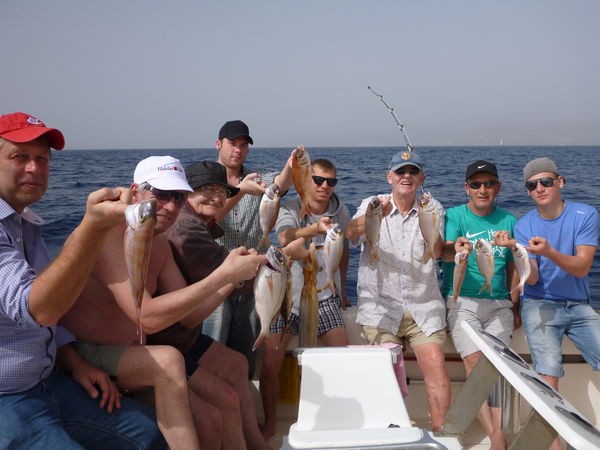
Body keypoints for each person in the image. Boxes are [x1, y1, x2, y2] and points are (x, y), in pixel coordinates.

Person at [61, 156, 270, 450]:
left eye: (178, 197)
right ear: (136, 193)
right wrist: (223, 274)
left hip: (138, 351)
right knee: (174, 365)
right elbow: (146, 318)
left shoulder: (159, 243)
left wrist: (231, 279)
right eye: (161, 195)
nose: (171, 207)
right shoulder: (109, 236)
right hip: (89, 351)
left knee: (214, 413)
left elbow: (190, 316)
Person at [0, 111, 166, 449]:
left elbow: (49, 324)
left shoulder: (26, 225)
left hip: (48, 381)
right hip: (8, 398)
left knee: (149, 433)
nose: (34, 168)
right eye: (19, 157)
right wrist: (93, 228)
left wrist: (75, 363)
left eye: (42, 159)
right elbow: (38, 310)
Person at [346, 150, 451, 432]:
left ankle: (441, 433)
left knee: (435, 364)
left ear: (421, 178)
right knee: (383, 371)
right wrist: (374, 214)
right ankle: (389, 432)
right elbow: (350, 233)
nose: (407, 176)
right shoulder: (372, 203)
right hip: (380, 308)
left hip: (423, 306)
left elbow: (437, 252)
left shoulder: (433, 207)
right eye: (400, 171)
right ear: (389, 177)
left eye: (413, 171)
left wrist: (431, 223)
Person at [259, 158, 351, 440]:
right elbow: (284, 238)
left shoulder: (341, 211)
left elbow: (343, 249)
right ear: (307, 179)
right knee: (270, 363)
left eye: (331, 182)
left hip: (323, 295)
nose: (324, 186)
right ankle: (271, 423)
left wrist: (342, 287)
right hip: (287, 295)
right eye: (318, 180)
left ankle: (335, 420)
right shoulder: (290, 206)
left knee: (343, 357)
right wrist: (314, 230)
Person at [513, 157, 600, 450]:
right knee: (547, 371)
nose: (539, 188)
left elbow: (582, 268)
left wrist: (548, 251)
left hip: (579, 304)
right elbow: (533, 279)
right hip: (539, 303)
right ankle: (555, 447)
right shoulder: (523, 226)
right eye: (532, 185)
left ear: (560, 182)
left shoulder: (585, 214)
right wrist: (521, 257)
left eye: (546, 181)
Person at [202, 120, 294, 377]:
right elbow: (209, 220)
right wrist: (240, 192)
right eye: (232, 144)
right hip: (215, 282)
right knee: (210, 355)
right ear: (218, 144)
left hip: (252, 284)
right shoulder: (205, 180)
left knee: (244, 358)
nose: (238, 150)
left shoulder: (257, 179)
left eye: (243, 146)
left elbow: (280, 184)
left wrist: (291, 165)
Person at [441, 160, 517, 449]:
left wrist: (515, 304)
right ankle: (497, 437)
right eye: (476, 184)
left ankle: (497, 433)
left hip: (499, 303)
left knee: (497, 364)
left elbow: (513, 266)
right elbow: (444, 252)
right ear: (466, 188)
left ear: (498, 187)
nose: (482, 190)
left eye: (488, 184)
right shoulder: (454, 216)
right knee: (474, 361)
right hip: (461, 300)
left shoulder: (509, 221)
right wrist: (455, 248)